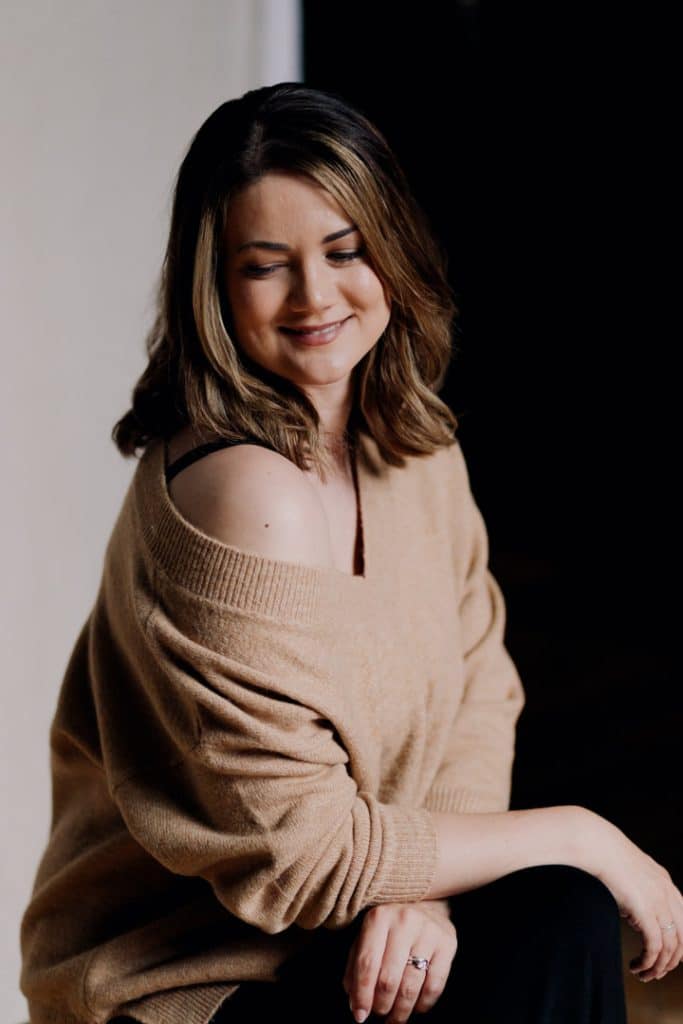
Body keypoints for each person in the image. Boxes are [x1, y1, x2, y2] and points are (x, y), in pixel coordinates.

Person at [19, 82, 681, 1024]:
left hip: (353, 930)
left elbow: (476, 691)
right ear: (214, 286)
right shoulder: (243, 492)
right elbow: (302, 858)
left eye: (343, 250)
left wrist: (423, 891)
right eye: (264, 266)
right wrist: (583, 834)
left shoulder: (410, 443)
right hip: (201, 980)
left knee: (555, 915)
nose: (314, 296)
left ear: (391, 251)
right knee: (564, 896)